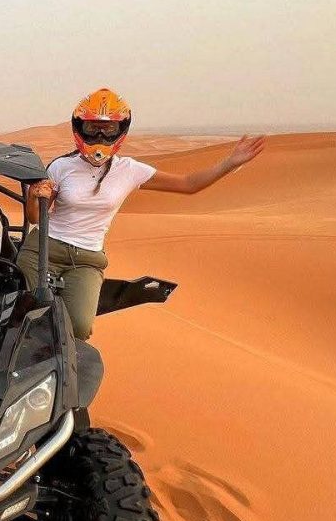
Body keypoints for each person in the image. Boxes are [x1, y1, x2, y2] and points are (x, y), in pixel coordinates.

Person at [17, 88, 265, 341]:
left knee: (79, 327)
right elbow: (36, 217)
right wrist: (35, 196)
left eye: (109, 129)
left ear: (121, 130)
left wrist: (230, 163)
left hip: (87, 259)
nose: (100, 135)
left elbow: (188, 184)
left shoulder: (130, 170)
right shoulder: (61, 166)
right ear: (79, 128)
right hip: (45, 249)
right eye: (92, 128)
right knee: (20, 315)